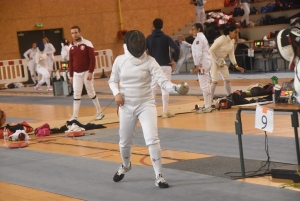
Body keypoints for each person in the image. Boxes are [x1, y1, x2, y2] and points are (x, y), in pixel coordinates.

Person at [108, 30, 180, 188]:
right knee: (124, 142)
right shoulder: (120, 61)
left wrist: (177, 88)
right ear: (129, 46)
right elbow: (112, 80)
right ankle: (126, 166)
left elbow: (164, 82)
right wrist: (117, 93)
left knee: (152, 138)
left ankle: (159, 176)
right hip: (126, 106)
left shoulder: (150, 61)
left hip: (146, 104)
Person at [68, 25, 104, 121]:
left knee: (90, 91)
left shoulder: (87, 43)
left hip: (86, 72)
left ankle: (99, 111)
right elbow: (71, 62)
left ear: (80, 33)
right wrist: (71, 75)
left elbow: (92, 59)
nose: (74, 35)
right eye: (72, 33)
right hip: (76, 73)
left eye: (76, 32)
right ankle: (75, 116)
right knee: (76, 93)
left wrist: (90, 72)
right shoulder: (71, 46)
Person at [146, 18, 180, 118]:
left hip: (153, 66)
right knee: (165, 88)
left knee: (153, 89)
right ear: (162, 26)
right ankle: (165, 112)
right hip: (165, 65)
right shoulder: (166, 37)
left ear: (153, 26)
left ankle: (150, 113)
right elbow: (176, 48)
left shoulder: (148, 38)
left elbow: (143, 51)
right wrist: (175, 60)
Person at [209, 24, 244, 99]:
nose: (237, 34)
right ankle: (209, 99)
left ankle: (229, 96)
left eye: (237, 32)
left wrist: (236, 65)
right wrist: (216, 59)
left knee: (227, 79)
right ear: (230, 32)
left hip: (221, 60)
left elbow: (231, 54)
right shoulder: (221, 39)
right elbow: (211, 50)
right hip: (213, 59)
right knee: (215, 80)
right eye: (235, 32)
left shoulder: (232, 41)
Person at [191, 23, 212, 113]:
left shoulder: (199, 39)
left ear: (199, 29)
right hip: (205, 62)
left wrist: (196, 65)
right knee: (207, 84)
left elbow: (198, 54)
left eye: (193, 29)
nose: (192, 31)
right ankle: (208, 104)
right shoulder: (202, 37)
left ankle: (207, 106)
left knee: (204, 85)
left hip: (202, 64)